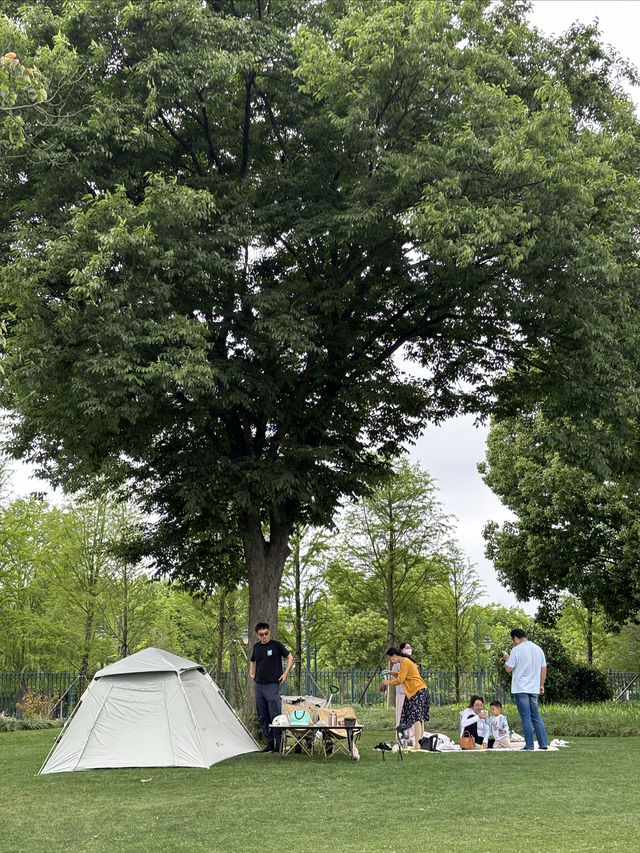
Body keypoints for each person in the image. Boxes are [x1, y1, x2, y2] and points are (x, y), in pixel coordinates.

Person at [249, 622, 293, 752]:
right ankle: (269, 744)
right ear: (257, 635)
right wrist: (252, 673)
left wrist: (285, 673)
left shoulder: (276, 645)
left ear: (269, 632)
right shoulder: (256, 647)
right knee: (262, 715)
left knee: (275, 715)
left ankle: (279, 744)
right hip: (259, 685)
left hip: (272, 684)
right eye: (261, 634)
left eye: (266, 633)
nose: (264, 636)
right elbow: (252, 661)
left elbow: (290, 657)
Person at [503, 628, 548, 750]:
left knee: (526, 717)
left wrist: (507, 660)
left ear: (516, 638)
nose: (514, 643)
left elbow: (509, 668)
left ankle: (529, 745)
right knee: (536, 715)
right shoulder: (538, 649)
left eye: (513, 640)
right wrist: (541, 685)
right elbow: (543, 669)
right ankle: (543, 743)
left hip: (521, 688)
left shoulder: (516, 650)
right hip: (534, 688)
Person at [382, 647, 430, 747]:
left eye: (390, 659)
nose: (390, 661)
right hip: (418, 690)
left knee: (417, 718)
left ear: (394, 656)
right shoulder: (405, 661)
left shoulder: (405, 662)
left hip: (417, 690)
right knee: (418, 718)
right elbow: (403, 675)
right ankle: (419, 743)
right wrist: (391, 673)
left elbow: (400, 679)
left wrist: (388, 682)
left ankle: (417, 744)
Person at [393, 641, 415, 746]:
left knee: (411, 715)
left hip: (411, 693)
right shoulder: (398, 663)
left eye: (410, 648)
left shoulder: (411, 662)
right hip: (402, 693)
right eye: (407, 648)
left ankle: (412, 736)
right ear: (401, 650)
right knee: (401, 715)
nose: (409, 649)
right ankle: (401, 736)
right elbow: (395, 677)